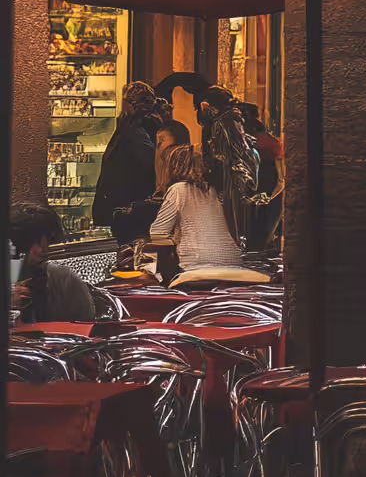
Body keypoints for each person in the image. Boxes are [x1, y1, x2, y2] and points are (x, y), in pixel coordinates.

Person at [148, 144, 250, 282]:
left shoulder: (178, 190)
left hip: (198, 270)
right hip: (235, 268)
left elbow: (158, 234)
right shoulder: (215, 191)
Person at [91, 81, 165, 240]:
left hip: (130, 208)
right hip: (129, 206)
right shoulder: (134, 128)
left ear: (130, 105)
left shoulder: (135, 131)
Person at [9, 204, 105, 323]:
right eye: (36, 242)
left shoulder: (64, 280)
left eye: (48, 242)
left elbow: (87, 323)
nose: (43, 250)